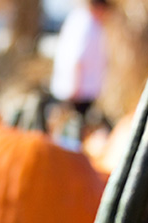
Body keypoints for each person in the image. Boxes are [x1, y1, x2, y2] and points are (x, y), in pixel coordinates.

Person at [49, 0, 110, 128]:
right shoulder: (86, 24)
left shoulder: (83, 20)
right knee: (72, 130)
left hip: (81, 92)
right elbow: (77, 59)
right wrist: (75, 89)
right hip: (78, 93)